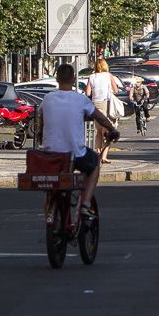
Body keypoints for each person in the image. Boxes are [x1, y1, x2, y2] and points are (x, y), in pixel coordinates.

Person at [37, 62, 120, 212]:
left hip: (51, 154)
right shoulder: (80, 100)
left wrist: (41, 138)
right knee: (94, 164)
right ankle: (86, 203)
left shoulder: (47, 99)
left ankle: (50, 211)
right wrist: (111, 129)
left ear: (57, 79)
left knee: (52, 184)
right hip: (75, 154)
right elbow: (99, 117)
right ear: (74, 78)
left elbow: (41, 125)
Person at [84, 59, 118, 152]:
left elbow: (87, 93)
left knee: (98, 130)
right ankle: (104, 154)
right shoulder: (108, 75)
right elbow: (116, 90)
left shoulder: (91, 77)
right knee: (106, 129)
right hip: (105, 103)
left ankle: (98, 150)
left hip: (95, 104)